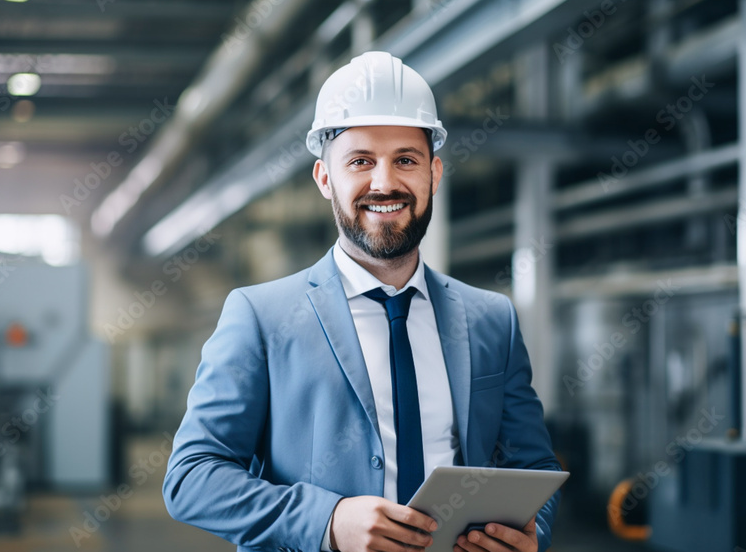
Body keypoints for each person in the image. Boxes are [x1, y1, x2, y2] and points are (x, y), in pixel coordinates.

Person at [163, 51, 562, 552]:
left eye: (406, 160)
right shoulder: (261, 318)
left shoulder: (490, 319)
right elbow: (191, 478)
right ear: (324, 178)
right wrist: (326, 522)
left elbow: (536, 470)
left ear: (434, 173)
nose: (384, 183)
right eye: (360, 161)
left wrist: (527, 537)